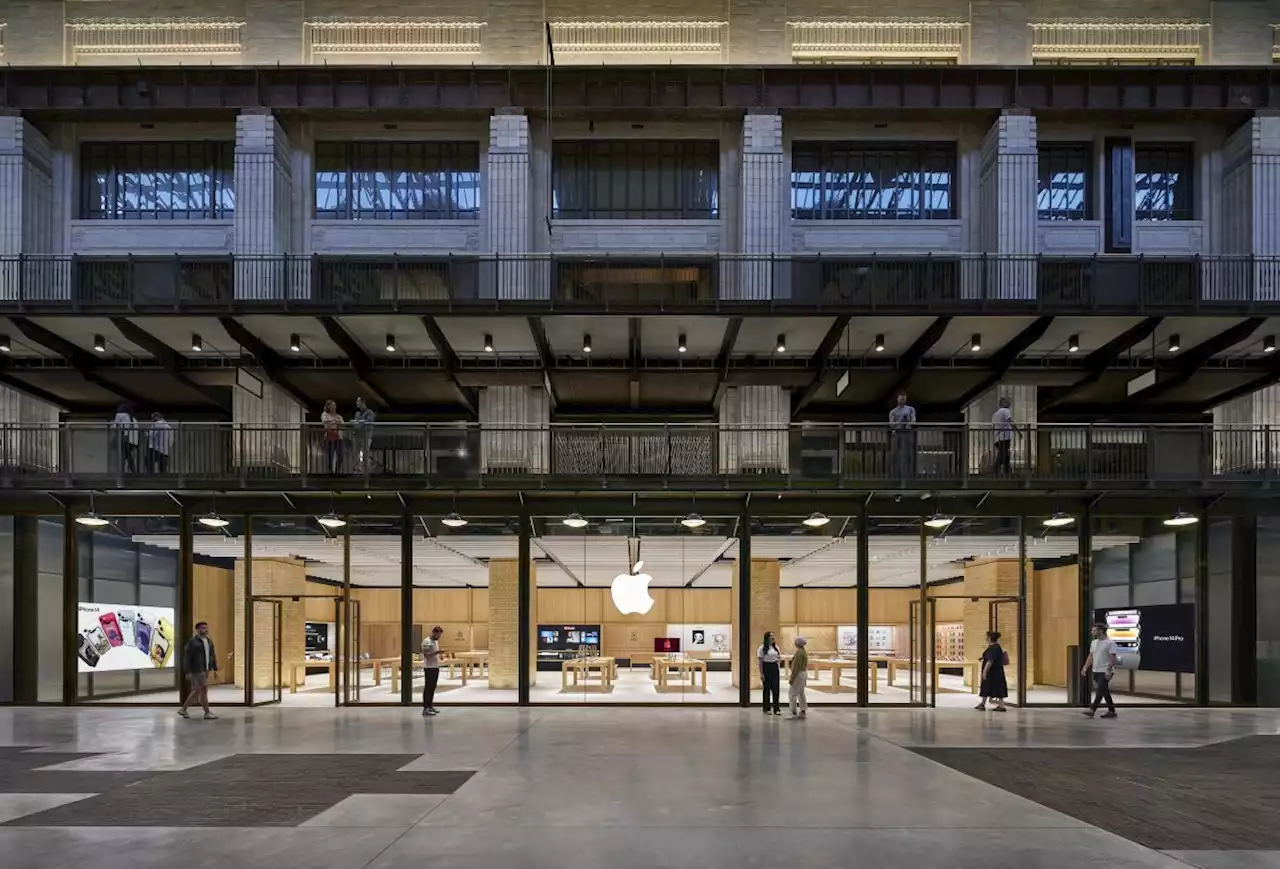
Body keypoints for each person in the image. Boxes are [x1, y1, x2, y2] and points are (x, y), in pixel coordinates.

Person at [178, 621, 218, 720]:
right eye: (203, 628)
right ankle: (205, 712)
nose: (205, 630)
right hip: (197, 669)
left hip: (205, 669)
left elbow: (211, 655)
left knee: (201, 690)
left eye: (206, 628)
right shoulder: (192, 642)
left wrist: (214, 668)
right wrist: (187, 671)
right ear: (197, 630)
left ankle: (185, 710)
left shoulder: (208, 641)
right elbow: (187, 657)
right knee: (201, 689)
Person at [1081, 622, 1119, 718]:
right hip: (1096, 670)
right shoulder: (1094, 643)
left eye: (1094, 630)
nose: (1092, 632)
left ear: (1100, 631)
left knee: (1100, 690)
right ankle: (1112, 711)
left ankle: (1092, 709)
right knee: (1104, 691)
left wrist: (1109, 670)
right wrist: (1085, 667)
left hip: (1105, 671)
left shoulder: (1110, 643)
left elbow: (1112, 658)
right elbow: (1091, 656)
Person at [975, 630, 1009, 712]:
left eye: (987, 637)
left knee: (987, 686)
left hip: (992, 672)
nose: (986, 638)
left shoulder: (993, 647)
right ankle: (1000, 705)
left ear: (990, 638)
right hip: (997, 671)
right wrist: (983, 658)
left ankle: (983, 704)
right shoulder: (996, 646)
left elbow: (990, 660)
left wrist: (985, 672)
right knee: (997, 687)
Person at [888, 392, 917, 481]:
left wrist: (908, 422)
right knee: (895, 455)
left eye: (904, 398)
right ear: (897, 399)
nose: (902, 400)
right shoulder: (893, 411)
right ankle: (894, 476)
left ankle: (908, 476)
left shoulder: (911, 409)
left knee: (908, 454)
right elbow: (891, 425)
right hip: (897, 433)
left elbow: (914, 421)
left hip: (907, 433)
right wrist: (900, 421)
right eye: (901, 398)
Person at [757, 630, 782, 716]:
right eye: (771, 636)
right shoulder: (762, 648)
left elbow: (779, 658)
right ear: (767, 638)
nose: (773, 637)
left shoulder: (776, 648)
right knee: (766, 689)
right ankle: (766, 708)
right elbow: (760, 662)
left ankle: (776, 708)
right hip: (766, 667)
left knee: (776, 689)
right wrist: (761, 673)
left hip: (774, 668)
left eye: (773, 636)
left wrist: (778, 661)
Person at [421, 625, 444, 717]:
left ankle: (430, 706)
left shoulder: (435, 642)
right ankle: (425, 708)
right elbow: (426, 654)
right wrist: (437, 652)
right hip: (429, 667)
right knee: (428, 688)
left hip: (435, 666)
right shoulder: (426, 641)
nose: (439, 637)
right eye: (438, 635)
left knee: (433, 688)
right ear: (434, 633)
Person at [111, 403, 139, 474]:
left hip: (124, 439)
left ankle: (123, 471)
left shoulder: (121, 415)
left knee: (124, 455)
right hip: (132, 440)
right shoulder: (134, 419)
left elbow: (115, 427)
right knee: (128, 455)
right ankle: (133, 470)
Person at [351, 397, 376, 474]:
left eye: (358, 401)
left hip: (366, 436)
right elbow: (356, 424)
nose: (356, 403)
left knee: (365, 454)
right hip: (357, 436)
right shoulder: (357, 413)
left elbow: (367, 422)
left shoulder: (370, 413)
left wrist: (357, 422)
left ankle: (366, 471)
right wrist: (356, 423)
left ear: (363, 402)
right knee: (355, 453)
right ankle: (356, 470)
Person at [787, 636, 809, 720]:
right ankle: (803, 710)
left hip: (798, 674)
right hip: (803, 673)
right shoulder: (803, 652)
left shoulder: (799, 653)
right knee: (801, 693)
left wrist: (792, 678)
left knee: (792, 693)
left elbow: (796, 667)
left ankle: (793, 712)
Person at [321, 400, 344, 475]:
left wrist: (334, 422)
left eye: (335, 405)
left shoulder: (338, 416)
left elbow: (342, 424)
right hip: (329, 436)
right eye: (332, 405)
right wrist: (334, 422)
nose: (334, 407)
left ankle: (337, 471)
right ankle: (330, 471)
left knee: (340, 455)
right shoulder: (325, 414)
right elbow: (326, 424)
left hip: (338, 437)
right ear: (328, 406)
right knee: (330, 455)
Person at [992, 396, 1013, 475]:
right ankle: (996, 470)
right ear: (1003, 403)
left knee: (1004, 455)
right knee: (1003, 455)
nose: (1009, 403)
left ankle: (1006, 471)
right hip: (1005, 437)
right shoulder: (1006, 411)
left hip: (997, 438)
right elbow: (1010, 421)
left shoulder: (995, 414)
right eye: (1007, 402)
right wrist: (1018, 431)